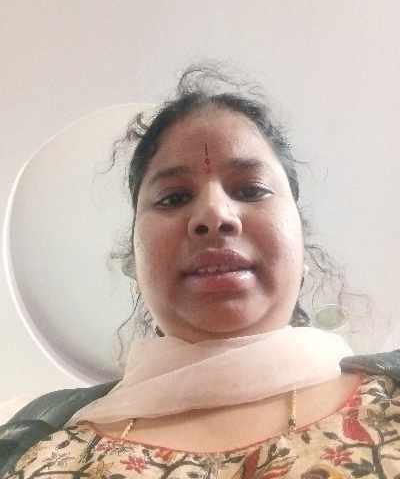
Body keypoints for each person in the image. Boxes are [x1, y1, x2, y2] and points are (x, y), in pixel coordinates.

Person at [2, 63, 400, 478]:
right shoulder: (32, 447)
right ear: (134, 258)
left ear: (302, 237)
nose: (214, 214)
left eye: (250, 189)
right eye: (173, 198)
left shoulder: (390, 399)